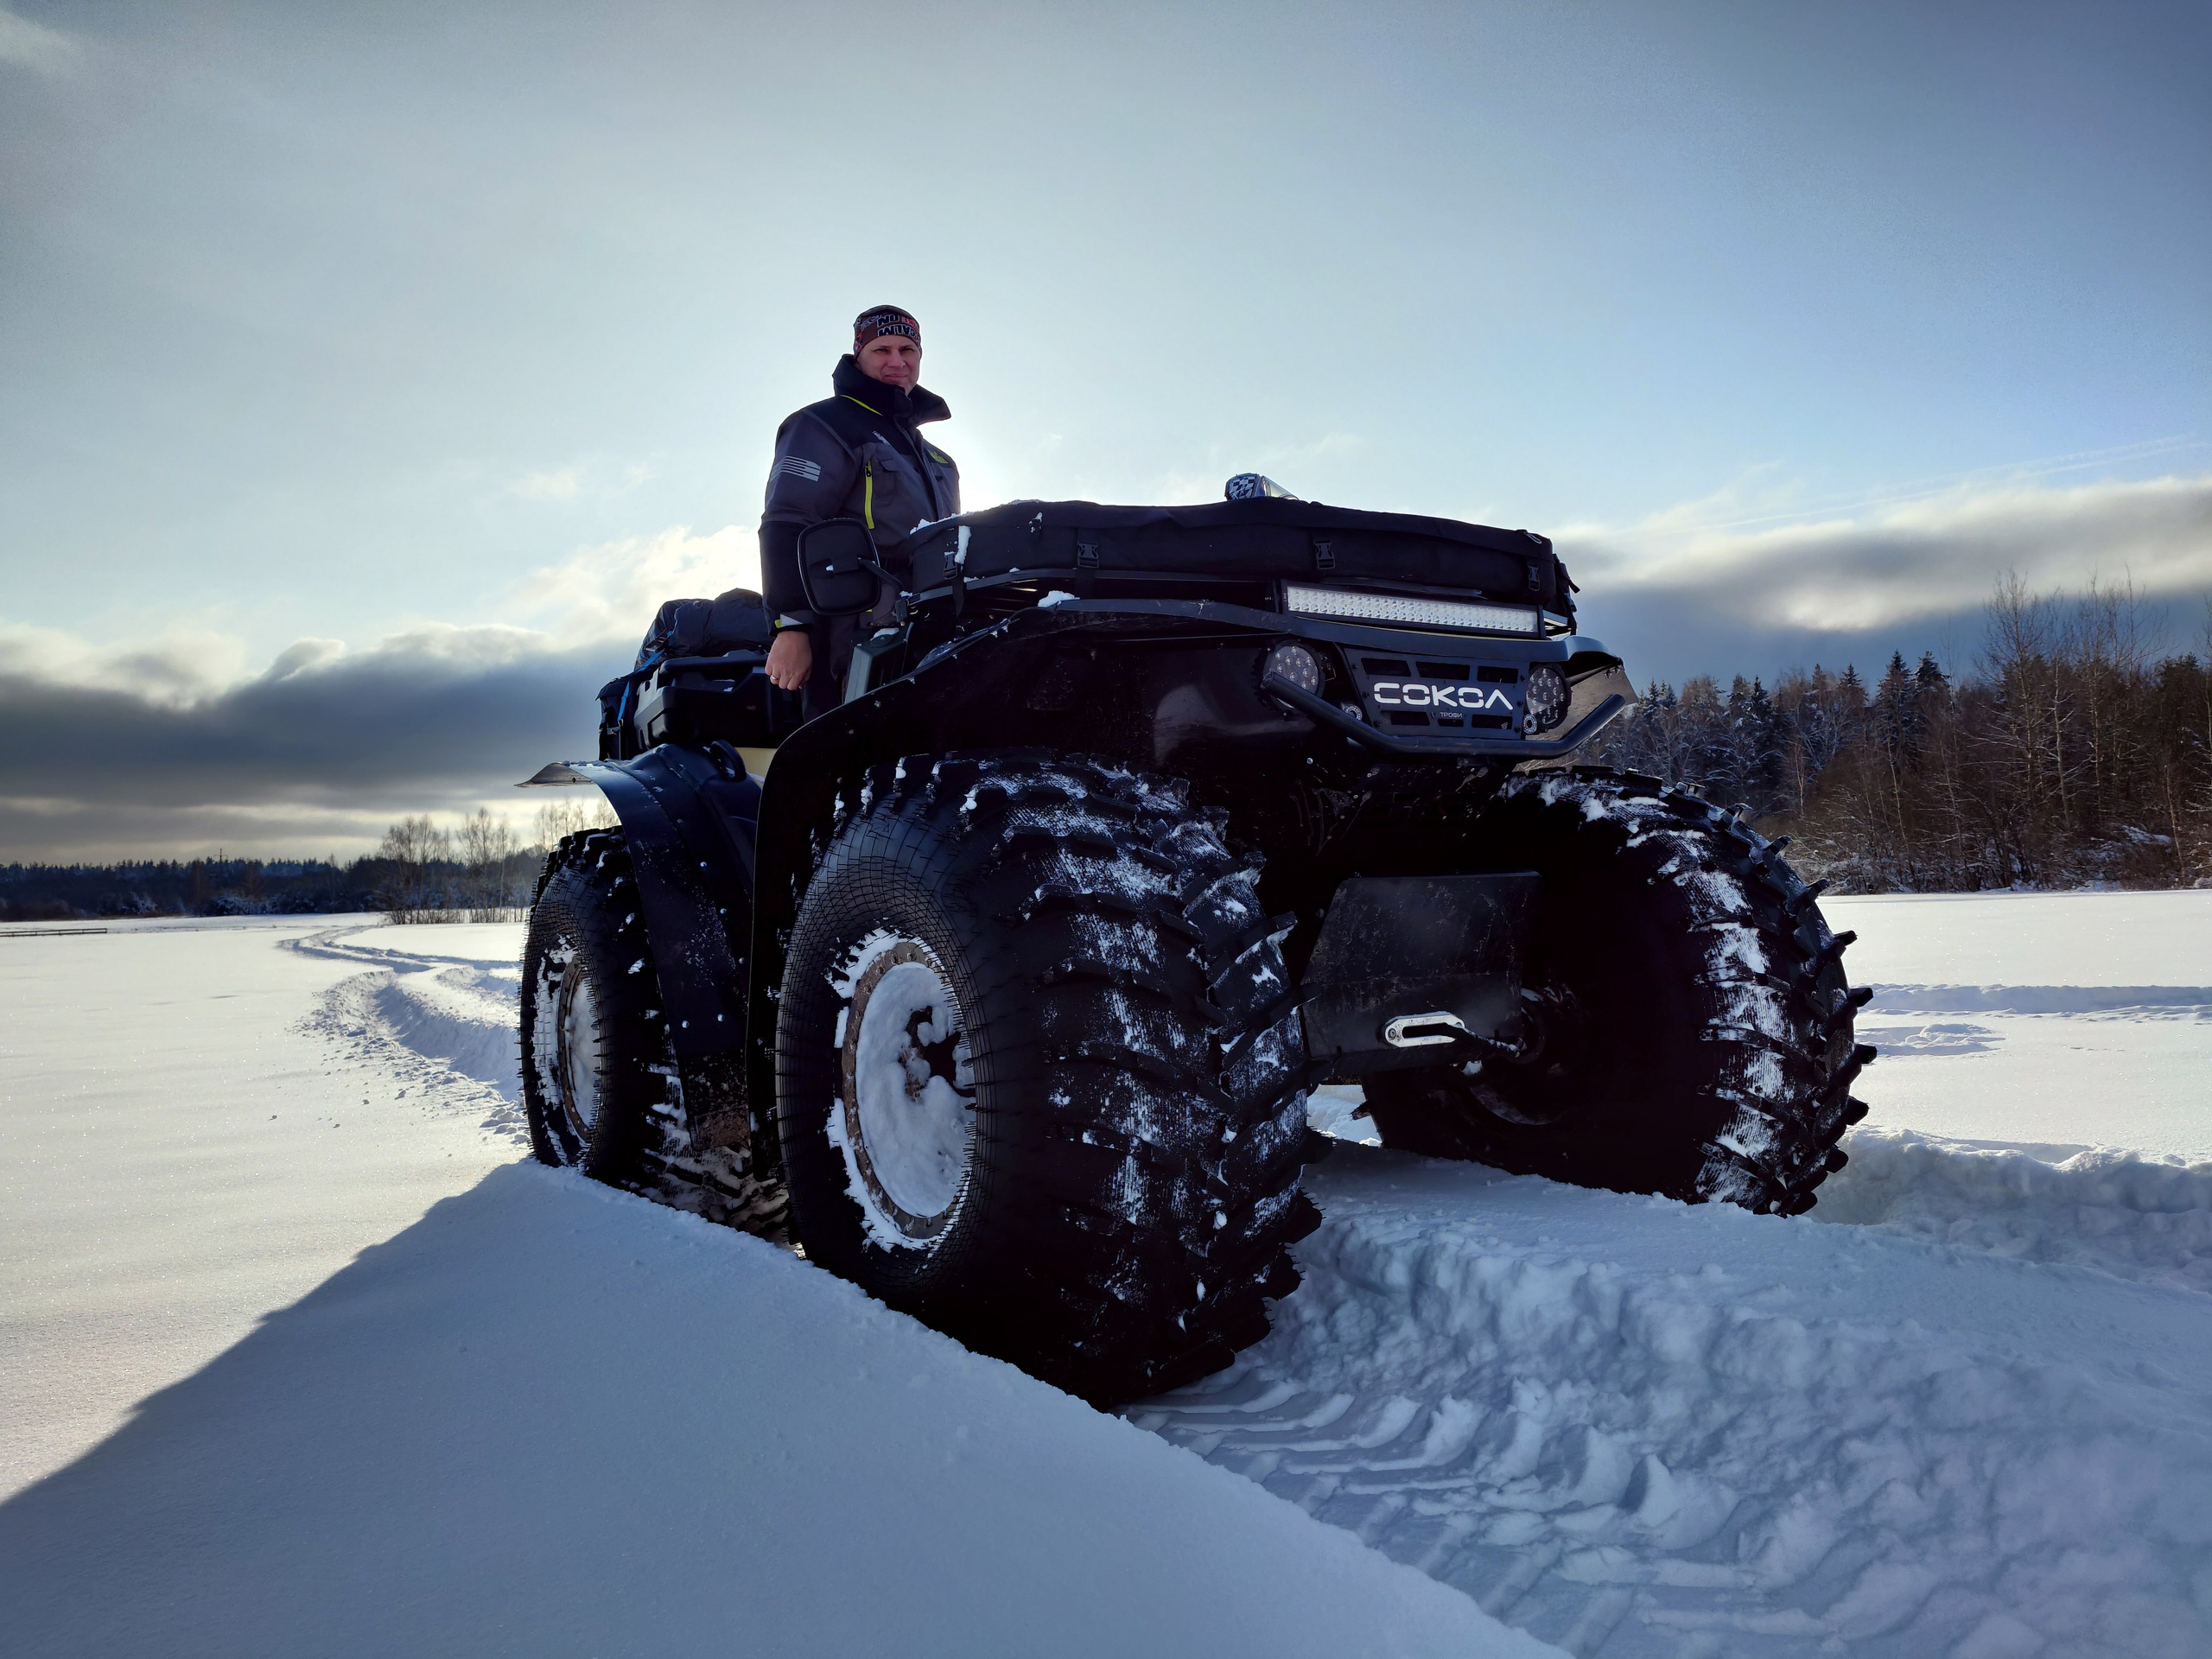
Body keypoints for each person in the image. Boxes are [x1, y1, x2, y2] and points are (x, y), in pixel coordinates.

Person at [758, 306, 961, 713]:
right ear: (859, 355)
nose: (897, 361)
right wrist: (791, 627)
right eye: (881, 349)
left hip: (928, 632)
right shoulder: (824, 424)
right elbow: (787, 521)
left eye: (908, 349)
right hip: (849, 636)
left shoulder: (939, 459)